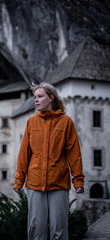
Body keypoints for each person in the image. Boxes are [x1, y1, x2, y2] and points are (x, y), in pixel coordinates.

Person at [13, 82, 84, 240]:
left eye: (40, 96)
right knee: (36, 228)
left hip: (59, 182)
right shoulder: (31, 122)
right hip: (35, 182)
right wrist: (19, 180)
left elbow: (74, 153)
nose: (36, 100)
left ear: (51, 98)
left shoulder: (66, 122)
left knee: (59, 229)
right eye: (35, 97)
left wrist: (78, 181)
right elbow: (24, 154)